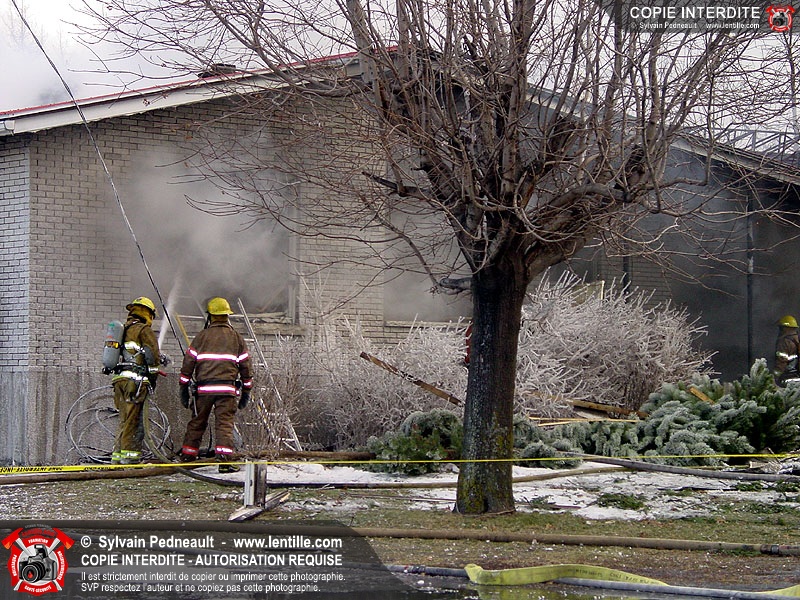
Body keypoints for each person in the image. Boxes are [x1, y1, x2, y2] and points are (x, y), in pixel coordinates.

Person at [178, 297, 253, 473]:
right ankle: (225, 462)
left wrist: (183, 387)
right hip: (227, 390)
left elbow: (188, 363)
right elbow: (246, 367)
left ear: (210, 316)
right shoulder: (236, 338)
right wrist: (246, 391)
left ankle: (187, 457)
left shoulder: (201, 337)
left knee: (197, 422)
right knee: (224, 424)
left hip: (203, 390)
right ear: (227, 315)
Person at [111, 297, 161, 465]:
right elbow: (151, 357)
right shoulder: (144, 330)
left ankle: (117, 458)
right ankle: (130, 459)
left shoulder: (122, 329)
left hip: (120, 380)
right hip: (135, 382)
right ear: (148, 313)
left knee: (123, 419)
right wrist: (152, 378)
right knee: (134, 421)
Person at [774, 315, 800, 386]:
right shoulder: (797, 339)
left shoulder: (784, 342)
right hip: (797, 378)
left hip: (788, 379)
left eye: (781, 327)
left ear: (785, 328)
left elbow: (781, 361)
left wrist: (774, 377)